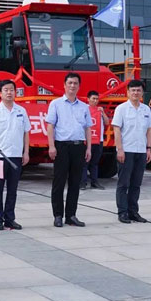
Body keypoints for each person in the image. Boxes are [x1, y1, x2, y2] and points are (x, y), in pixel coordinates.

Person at [0, 79, 30, 230]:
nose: (9, 93)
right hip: (0, 157)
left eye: (12, 90)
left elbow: (26, 133)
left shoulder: (21, 111)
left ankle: (10, 219)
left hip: (15, 156)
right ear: (0, 93)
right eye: (6, 90)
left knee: (12, 189)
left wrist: (26, 152)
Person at [46, 72, 92, 228]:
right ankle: (58, 215)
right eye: (70, 83)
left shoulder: (84, 106)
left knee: (75, 182)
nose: (72, 86)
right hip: (62, 146)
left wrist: (89, 148)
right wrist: (51, 146)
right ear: (64, 85)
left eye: (75, 83)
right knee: (59, 181)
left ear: (79, 86)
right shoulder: (56, 104)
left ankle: (71, 215)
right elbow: (50, 125)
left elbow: (87, 128)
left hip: (79, 146)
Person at [112, 79, 151, 224]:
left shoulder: (146, 109)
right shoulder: (121, 109)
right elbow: (116, 129)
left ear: (142, 92)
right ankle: (122, 212)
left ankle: (133, 211)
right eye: (133, 90)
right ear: (128, 92)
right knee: (123, 184)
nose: (136, 93)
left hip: (141, 151)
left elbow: (149, 130)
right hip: (126, 150)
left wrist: (148, 149)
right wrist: (120, 149)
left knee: (136, 184)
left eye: (138, 90)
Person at [80, 90, 109, 190]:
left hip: (98, 140)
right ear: (88, 99)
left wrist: (103, 113)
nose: (95, 101)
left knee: (94, 162)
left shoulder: (99, 110)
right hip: (87, 141)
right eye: (93, 99)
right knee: (84, 163)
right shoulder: (84, 109)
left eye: (97, 99)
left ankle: (94, 182)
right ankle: (82, 183)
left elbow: (107, 122)